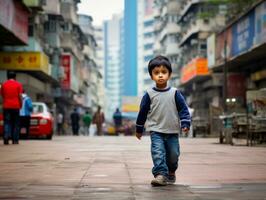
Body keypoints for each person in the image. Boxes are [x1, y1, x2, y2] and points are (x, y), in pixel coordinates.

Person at [135, 55, 191, 186]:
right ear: (151, 76)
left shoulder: (175, 93)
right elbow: (142, 112)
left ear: (169, 74)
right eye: (156, 73)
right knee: (158, 153)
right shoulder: (149, 94)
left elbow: (183, 109)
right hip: (156, 131)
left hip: (172, 131)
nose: (160, 75)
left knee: (173, 155)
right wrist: (139, 129)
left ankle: (171, 171)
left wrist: (185, 123)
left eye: (164, 72)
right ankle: (160, 174)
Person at [1, 71, 23, 145]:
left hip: (6, 106)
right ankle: (15, 140)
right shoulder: (18, 84)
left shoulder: (4, 84)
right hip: (16, 106)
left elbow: (2, 95)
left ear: (7, 77)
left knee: (7, 122)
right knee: (16, 123)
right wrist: (21, 104)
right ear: (15, 77)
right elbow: (20, 96)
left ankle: (6, 138)